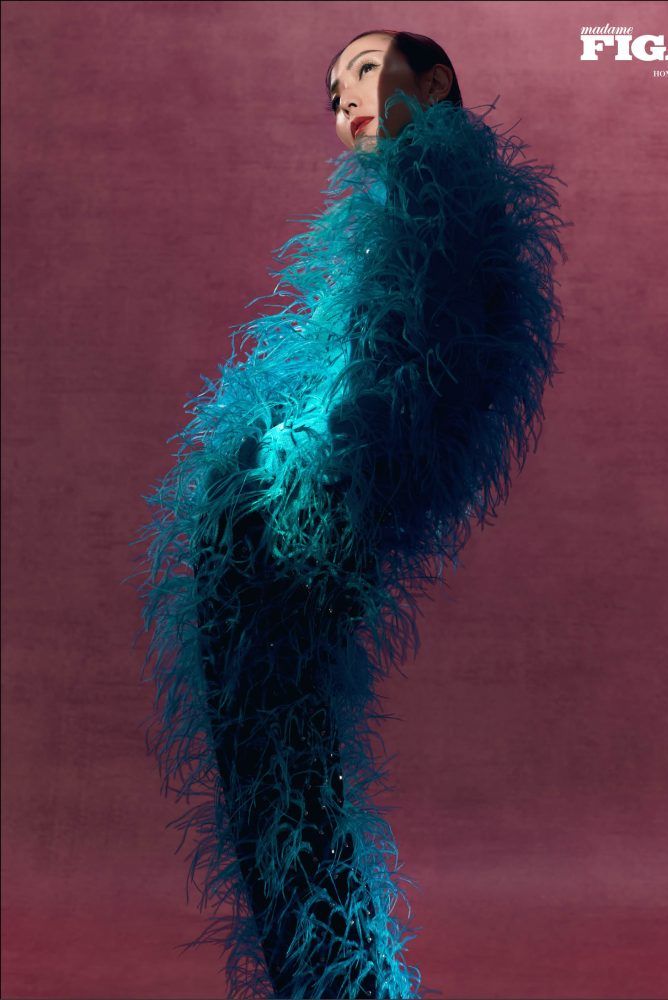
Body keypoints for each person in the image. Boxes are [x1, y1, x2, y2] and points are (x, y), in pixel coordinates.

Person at [134, 27, 567, 1000]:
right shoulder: (403, 212)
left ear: (437, 82)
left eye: (365, 72)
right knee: (282, 779)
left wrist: (301, 473)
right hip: (281, 547)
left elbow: (424, 378)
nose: (344, 100)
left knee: (286, 780)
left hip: (297, 547)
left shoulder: (440, 202)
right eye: (333, 91)